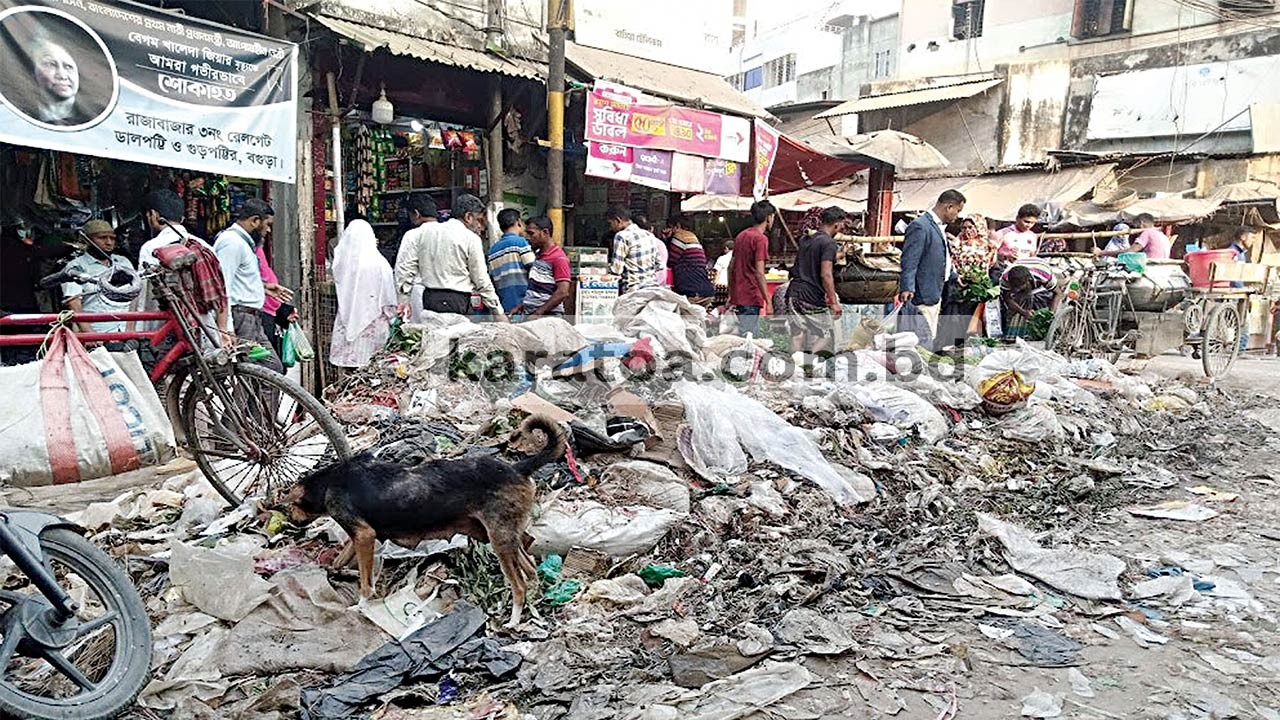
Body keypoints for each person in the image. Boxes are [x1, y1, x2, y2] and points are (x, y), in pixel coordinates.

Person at [136, 189, 227, 341]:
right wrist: (224, 330)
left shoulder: (151, 248)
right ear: (183, 218)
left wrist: (138, 332)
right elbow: (222, 291)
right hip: (204, 328)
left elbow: (142, 294)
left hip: (164, 327)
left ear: (154, 215)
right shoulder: (205, 247)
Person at [402, 193, 507, 321]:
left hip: (429, 298)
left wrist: (403, 299)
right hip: (458, 301)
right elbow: (481, 280)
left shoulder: (424, 233)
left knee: (433, 337)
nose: (481, 227)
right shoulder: (470, 238)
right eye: (479, 220)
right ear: (468, 217)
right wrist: (498, 311)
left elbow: (406, 269)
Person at [213, 198, 283, 371]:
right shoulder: (232, 242)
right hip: (242, 319)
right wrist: (226, 329)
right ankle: (246, 400)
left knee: (268, 369)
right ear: (254, 221)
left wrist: (264, 288)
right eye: (267, 224)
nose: (267, 230)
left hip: (251, 319)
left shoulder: (242, 243)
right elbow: (223, 287)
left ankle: (254, 400)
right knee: (257, 372)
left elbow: (237, 280)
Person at [899, 190, 965, 344]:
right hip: (922, 293)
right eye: (958, 210)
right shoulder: (921, 226)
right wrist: (907, 287)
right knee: (921, 337)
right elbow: (910, 260)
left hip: (935, 291)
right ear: (949, 207)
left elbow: (939, 258)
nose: (958, 215)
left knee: (929, 335)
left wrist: (954, 276)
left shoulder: (938, 227)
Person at [330, 219, 398, 368]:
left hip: (346, 321)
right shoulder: (380, 264)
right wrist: (393, 318)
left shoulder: (342, 264)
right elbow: (388, 300)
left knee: (346, 371)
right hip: (373, 323)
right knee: (370, 372)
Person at [61, 220, 135, 333]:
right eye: (102, 238)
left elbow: (134, 295)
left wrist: (130, 329)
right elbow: (74, 303)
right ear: (87, 240)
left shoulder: (123, 262)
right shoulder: (76, 266)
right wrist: (89, 334)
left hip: (124, 330)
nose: (109, 242)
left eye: (112, 238)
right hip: (98, 332)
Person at [787, 206, 844, 352]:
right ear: (836, 224)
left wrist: (837, 256)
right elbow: (826, 274)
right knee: (826, 334)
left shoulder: (806, 239)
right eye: (841, 226)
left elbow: (813, 258)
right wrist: (833, 302)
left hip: (794, 292)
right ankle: (810, 363)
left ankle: (796, 368)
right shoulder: (829, 243)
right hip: (810, 295)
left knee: (797, 334)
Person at [728, 200, 774, 336]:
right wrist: (768, 301)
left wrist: (731, 294)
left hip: (739, 295)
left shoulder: (741, 236)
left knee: (744, 335)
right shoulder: (761, 239)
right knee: (749, 338)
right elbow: (760, 273)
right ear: (768, 217)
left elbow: (731, 268)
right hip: (751, 295)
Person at [513, 216, 571, 318]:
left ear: (545, 232)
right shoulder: (539, 255)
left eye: (531, 233)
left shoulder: (559, 258)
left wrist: (538, 312)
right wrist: (522, 305)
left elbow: (563, 292)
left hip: (547, 318)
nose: (528, 238)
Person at [393, 193, 439, 319]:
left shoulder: (413, 235)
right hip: (447, 294)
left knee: (418, 333)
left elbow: (403, 269)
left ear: (417, 214)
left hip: (419, 293)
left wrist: (403, 300)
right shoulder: (449, 233)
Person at [27, 34, 90, 126]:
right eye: (50, 64)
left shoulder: (94, 117)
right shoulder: (19, 118)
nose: (62, 75)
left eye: (68, 67)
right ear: (32, 72)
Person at [486, 208, 535, 314]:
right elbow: (533, 268)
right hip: (522, 304)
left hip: (504, 306)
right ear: (518, 222)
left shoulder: (492, 251)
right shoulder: (520, 242)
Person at [606, 205, 661, 295]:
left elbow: (616, 269)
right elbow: (658, 264)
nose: (610, 228)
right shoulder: (649, 235)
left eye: (610, 223)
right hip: (651, 286)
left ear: (618, 220)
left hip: (632, 288)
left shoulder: (622, 236)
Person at [1000, 258, 1058, 338]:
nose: (1016, 289)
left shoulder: (1044, 276)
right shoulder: (1005, 278)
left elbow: (1058, 293)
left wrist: (1050, 315)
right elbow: (1007, 298)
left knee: (1039, 301)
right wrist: (1023, 312)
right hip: (1021, 268)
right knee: (1017, 305)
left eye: (1019, 287)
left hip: (1040, 267)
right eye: (1013, 286)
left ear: (1029, 280)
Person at [666, 214, 716, 305]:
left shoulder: (679, 236)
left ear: (677, 226)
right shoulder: (692, 237)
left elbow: (670, 261)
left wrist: (666, 239)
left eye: (670, 227)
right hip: (705, 289)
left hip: (692, 291)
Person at [1097, 213, 1171, 259]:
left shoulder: (1147, 232)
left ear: (1141, 223)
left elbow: (1129, 252)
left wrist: (1102, 253)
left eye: (1136, 226)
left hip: (1151, 266)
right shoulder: (1162, 235)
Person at [950, 214, 996, 280]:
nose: (967, 230)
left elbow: (991, 265)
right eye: (964, 228)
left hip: (981, 282)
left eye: (970, 227)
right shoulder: (957, 244)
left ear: (978, 227)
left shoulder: (989, 246)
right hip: (959, 281)